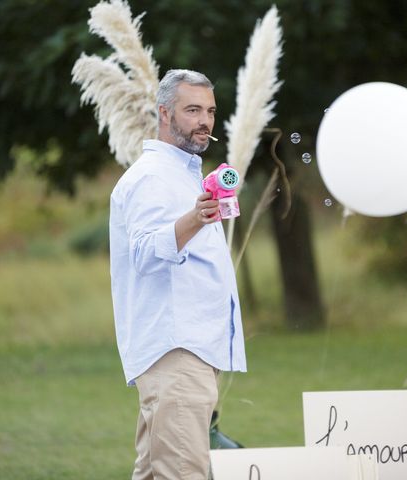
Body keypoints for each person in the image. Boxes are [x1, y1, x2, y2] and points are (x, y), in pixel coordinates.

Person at [109, 69, 247, 479]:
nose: (204, 120)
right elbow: (146, 253)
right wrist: (194, 218)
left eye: (209, 111)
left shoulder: (184, 174)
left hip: (186, 348)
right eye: (192, 110)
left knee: (154, 473)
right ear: (164, 113)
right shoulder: (153, 177)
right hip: (178, 349)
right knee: (184, 472)